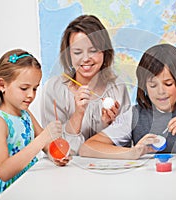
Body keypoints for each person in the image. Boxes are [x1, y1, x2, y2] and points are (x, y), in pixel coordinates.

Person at [0, 49, 66, 200]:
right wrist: (44, 138)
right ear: (2, 85)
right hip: (9, 192)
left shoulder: (25, 114)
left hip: (28, 185)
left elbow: (45, 145)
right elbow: (4, 172)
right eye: (24, 88)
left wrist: (56, 156)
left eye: (35, 88)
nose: (31, 95)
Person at [40, 15, 131, 154]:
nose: (86, 59)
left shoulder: (117, 87)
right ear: (68, 55)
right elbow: (56, 149)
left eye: (93, 51)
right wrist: (78, 114)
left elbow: (124, 146)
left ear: (105, 52)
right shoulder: (54, 89)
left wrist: (107, 125)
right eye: (77, 52)